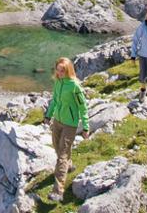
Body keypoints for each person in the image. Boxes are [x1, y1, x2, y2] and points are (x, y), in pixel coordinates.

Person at [43, 57, 90, 201]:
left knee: (62, 155)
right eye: (58, 70)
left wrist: (86, 127)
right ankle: (69, 166)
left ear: (68, 70)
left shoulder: (75, 86)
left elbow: (83, 107)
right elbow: (54, 100)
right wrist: (48, 115)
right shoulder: (58, 82)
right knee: (57, 147)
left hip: (70, 124)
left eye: (62, 70)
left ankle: (58, 191)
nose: (59, 73)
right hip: (57, 121)